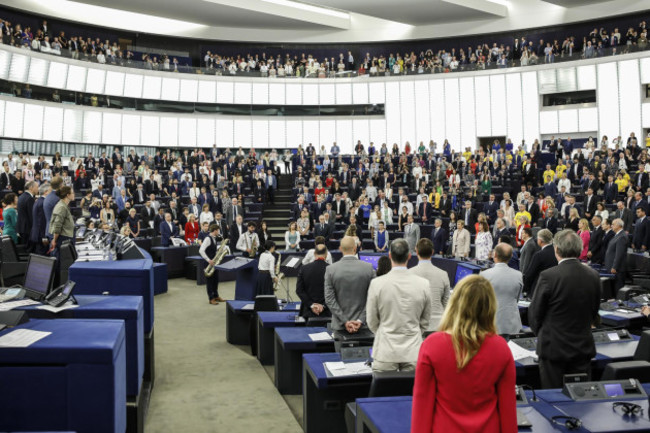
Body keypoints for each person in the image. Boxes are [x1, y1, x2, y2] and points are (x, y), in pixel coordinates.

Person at [411, 275, 517, 433]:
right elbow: (508, 410)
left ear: (455, 304)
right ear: (490, 307)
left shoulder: (432, 345)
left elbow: (422, 406)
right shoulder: (502, 348)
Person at [528, 230, 602, 389]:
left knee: (554, 400)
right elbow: (594, 313)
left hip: (553, 350)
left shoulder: (548, 276)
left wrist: (544, 334)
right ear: (580, 248)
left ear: (556, 249)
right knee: (581, 400)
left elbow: (534, 315)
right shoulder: (594, 275)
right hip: (583, 349)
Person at [366, 239, 431, 372]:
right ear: (409, 256)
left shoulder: (377, 284)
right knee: (412, 393)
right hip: (413, 351)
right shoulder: (424, 284)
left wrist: (384, 332)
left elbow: (372, 321)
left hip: (385, 351)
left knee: (385, 393)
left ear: (389, 255)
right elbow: (425, 321)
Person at [324, 236, 375, 334]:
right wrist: (360, 320)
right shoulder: (369, 268)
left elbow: (329, 300)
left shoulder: (330, 270)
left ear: (340, 249)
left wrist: (345, 321)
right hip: (364, 326)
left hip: (340, 326)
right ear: (355, 248)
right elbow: (373, 298)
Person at [480, 243, 523, 335]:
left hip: (490, 323)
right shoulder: (518, 275)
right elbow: (517, 298)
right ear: (511, 256)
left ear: (494, 254)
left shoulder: (484, 275)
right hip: (512, 324)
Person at [412, 238, 451, 332]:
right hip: (439, 326)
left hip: (416, 326)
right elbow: (447, 304)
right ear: (432, 252)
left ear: (416, 251)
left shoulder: (409, 274)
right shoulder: (443, 274)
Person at [296, 244, 331, 319]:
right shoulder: (333, 269)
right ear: (326, 254)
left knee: (307, 330)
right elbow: (336, 292)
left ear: (314, 253)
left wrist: (311, 305)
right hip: (327, 313)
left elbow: (299, 290)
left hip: (308, 312)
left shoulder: (304, 269)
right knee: (328, 330)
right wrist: (323, 305)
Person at [523, 229, 557, 297]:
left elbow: (530, 274)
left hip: (539, 288)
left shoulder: (539, 255)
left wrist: (525, 289)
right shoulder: (557, 252)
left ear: (540, 241)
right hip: (555, 287)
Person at [48, 186, 76, 270]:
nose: (74, 194)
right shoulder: (61, 207)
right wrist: (54, 240)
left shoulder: (64, 205)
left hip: (66, 237)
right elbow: (57, 225)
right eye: (72, 193)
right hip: (63, 239)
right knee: (63, 264)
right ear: (68, 195)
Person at [199, 224, 228, 305]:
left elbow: (211, 250)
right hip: (209, 263)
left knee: (215, 280)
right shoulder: (207, 239)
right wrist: (209, 260)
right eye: (218, 230)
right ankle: (211, 298)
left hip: (214, 262)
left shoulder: (214, 238)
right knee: (210, 282)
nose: (218, 232)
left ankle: (216, 296)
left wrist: (219, 250)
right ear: (215, 230)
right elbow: (201, 251)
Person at [604, 218, 628, 291]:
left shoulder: (622, 236)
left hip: (618, 269)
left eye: (613, 224)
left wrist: (614, 267)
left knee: (618, 289)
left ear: (619, 226)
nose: (611, 226)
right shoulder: (617, 235)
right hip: (612, 267)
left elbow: (619, 254)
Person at [17, 181, 37, 250]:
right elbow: (32, 216)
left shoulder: (21, 196)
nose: (38, 189)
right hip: (28, 229)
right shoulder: (29, 198)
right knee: (29, 250)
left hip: (22, 228)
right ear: (31, 188)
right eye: (36, 187)